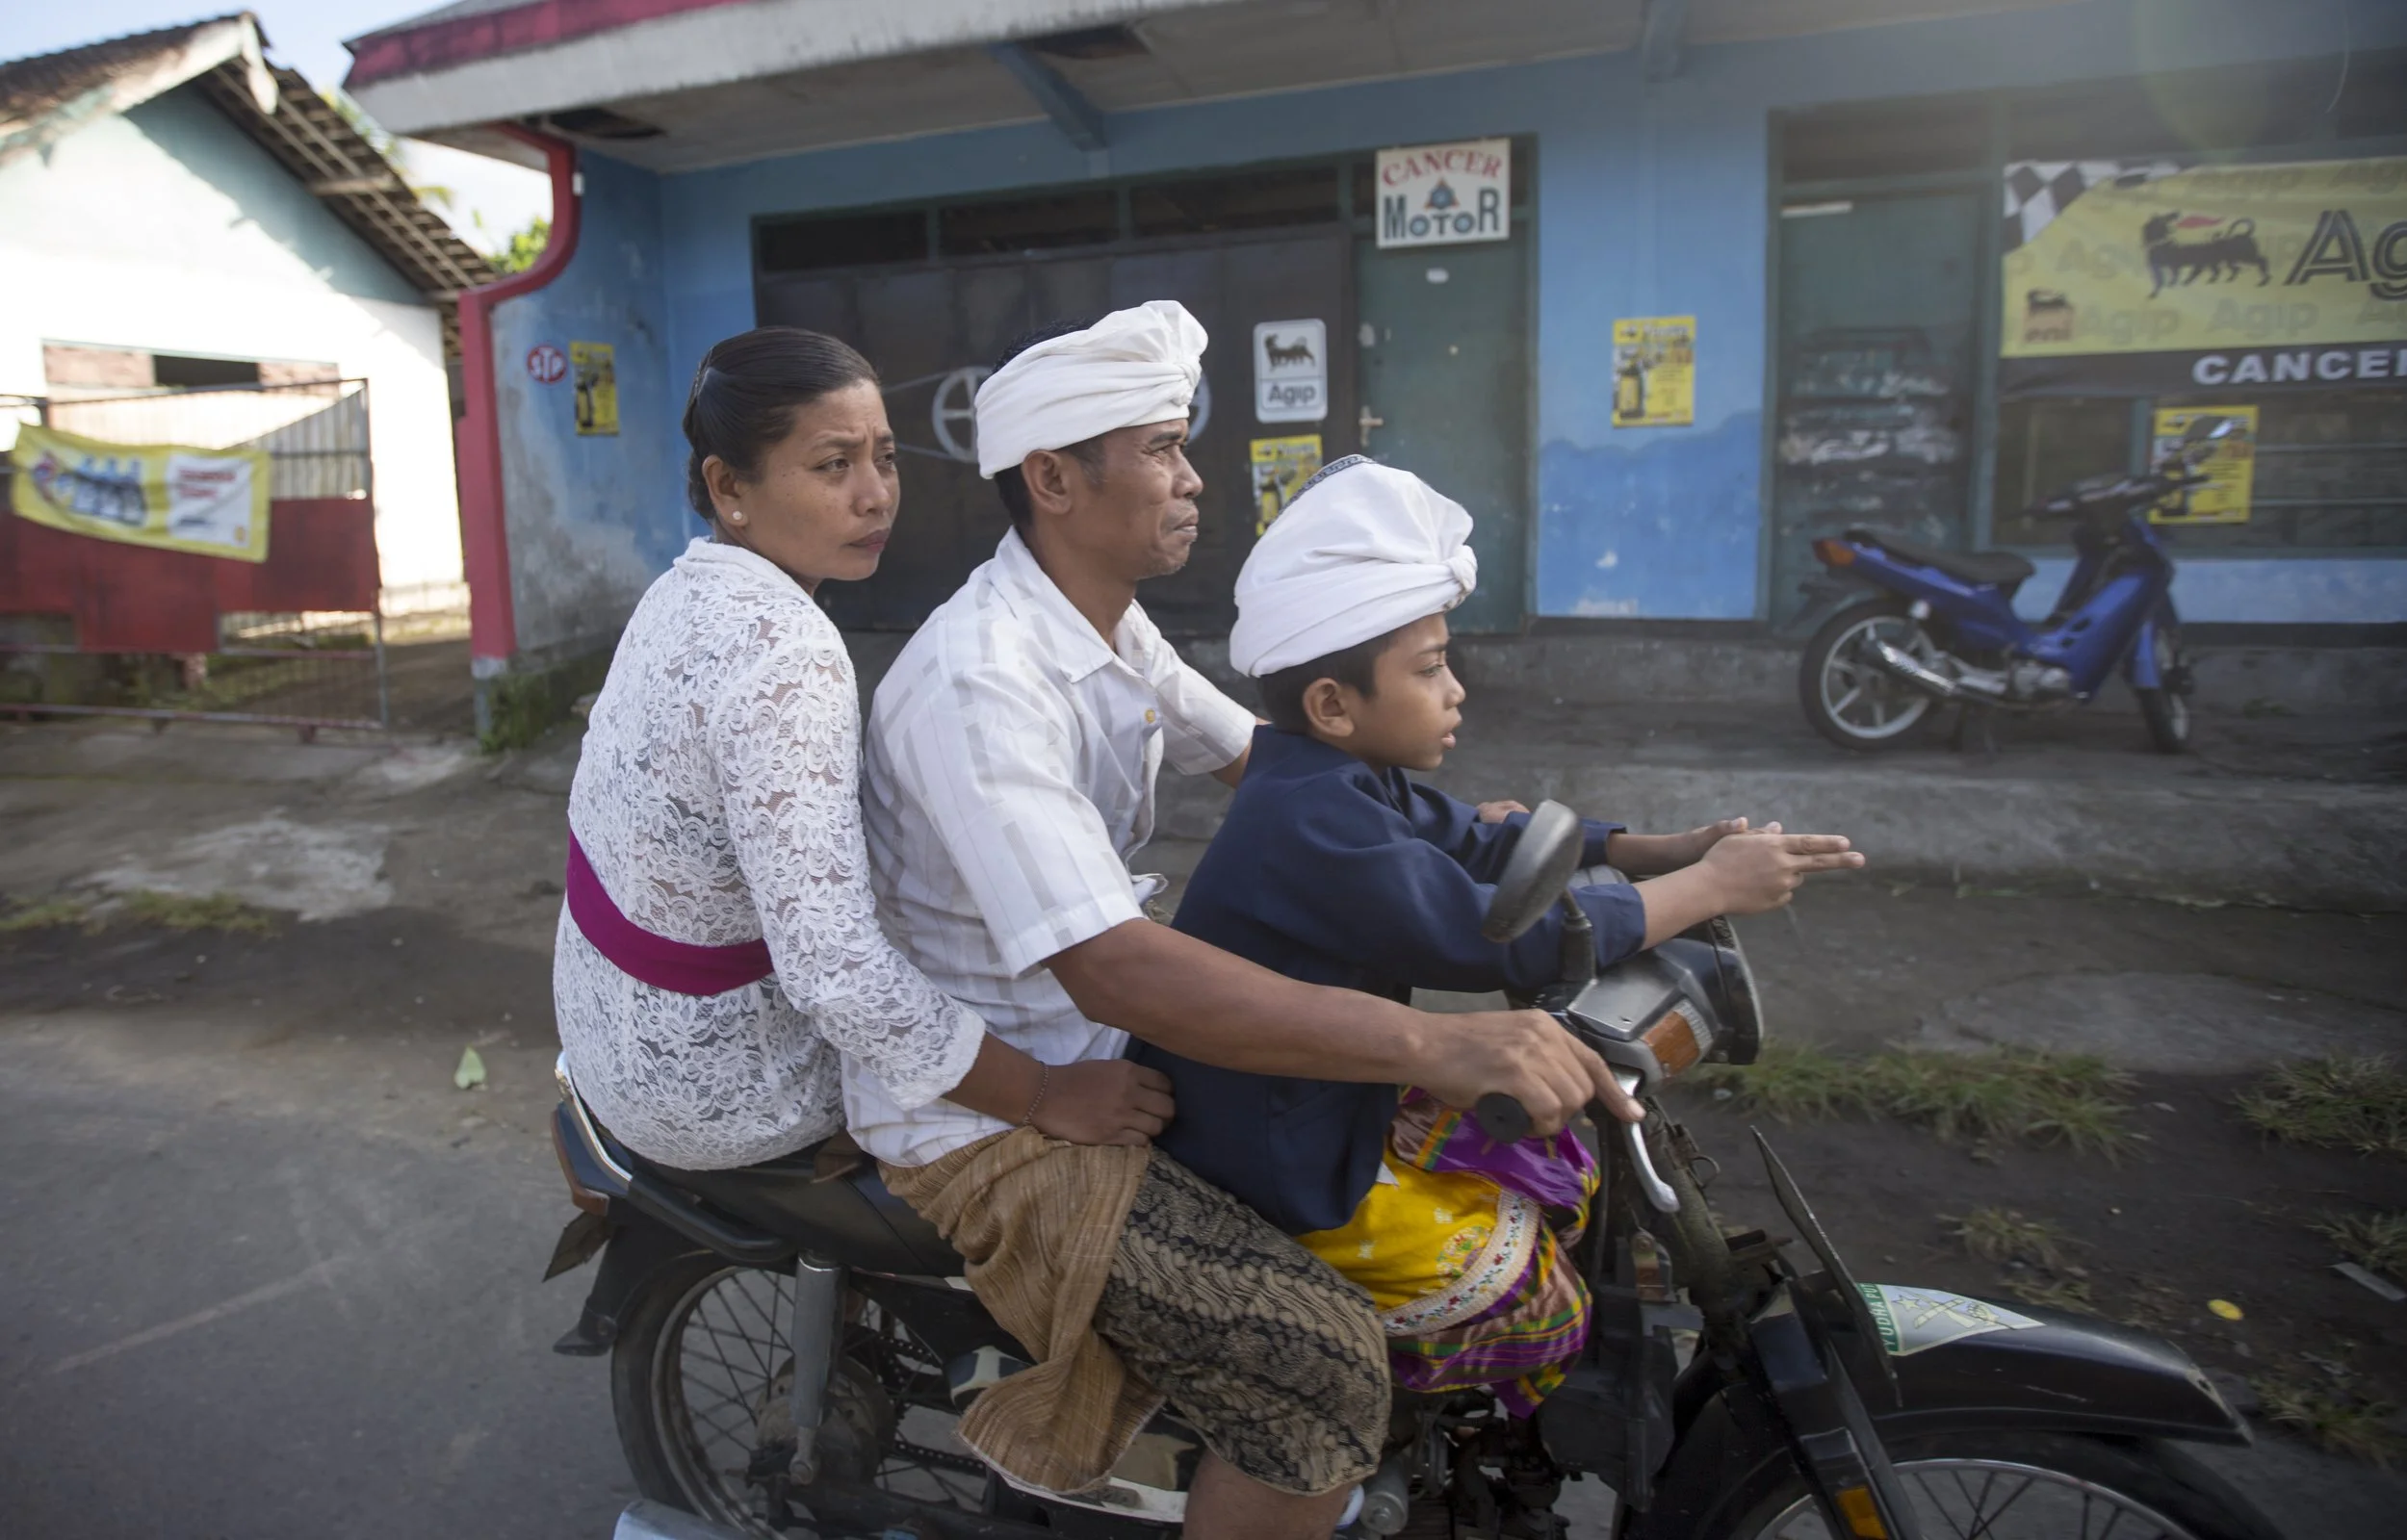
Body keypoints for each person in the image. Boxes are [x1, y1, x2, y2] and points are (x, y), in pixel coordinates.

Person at [846, 301, 1634, 1540]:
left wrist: (1466, 830)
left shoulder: (1107, 627)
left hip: (1107, 1060)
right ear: (1054, 479)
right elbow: (1108, 966)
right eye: (1159, 447)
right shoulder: (980, 679)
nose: (1190, 477)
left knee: (1483, 1169)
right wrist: (1432, 1039)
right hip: (998, 1115)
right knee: (1319, 1369)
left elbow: (1276, 763)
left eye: (1181, 445)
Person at [1135, 454, 1865, 1419]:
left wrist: (1657, 850)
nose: (1456, 691)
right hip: (1282, 1160)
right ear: (1332, 704)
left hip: (1322, 1105)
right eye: (1430, 668)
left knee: (1554, 1157)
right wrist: (1706, 887)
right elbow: (1492, 938)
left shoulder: (1341, 778)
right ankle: (1382, 1426)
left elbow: (1480, 838)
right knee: (1540, 1300)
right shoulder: (1310, 820)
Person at [553, 327, 1166, 1179]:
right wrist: (1042, 1094)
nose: (876, 496)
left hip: (607, 1027)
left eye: (886, 458)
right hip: (721, 1085)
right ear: (729, 486)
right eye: (834, 465)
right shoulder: (786, 652)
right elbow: (837, 975)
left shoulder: (681, 589)